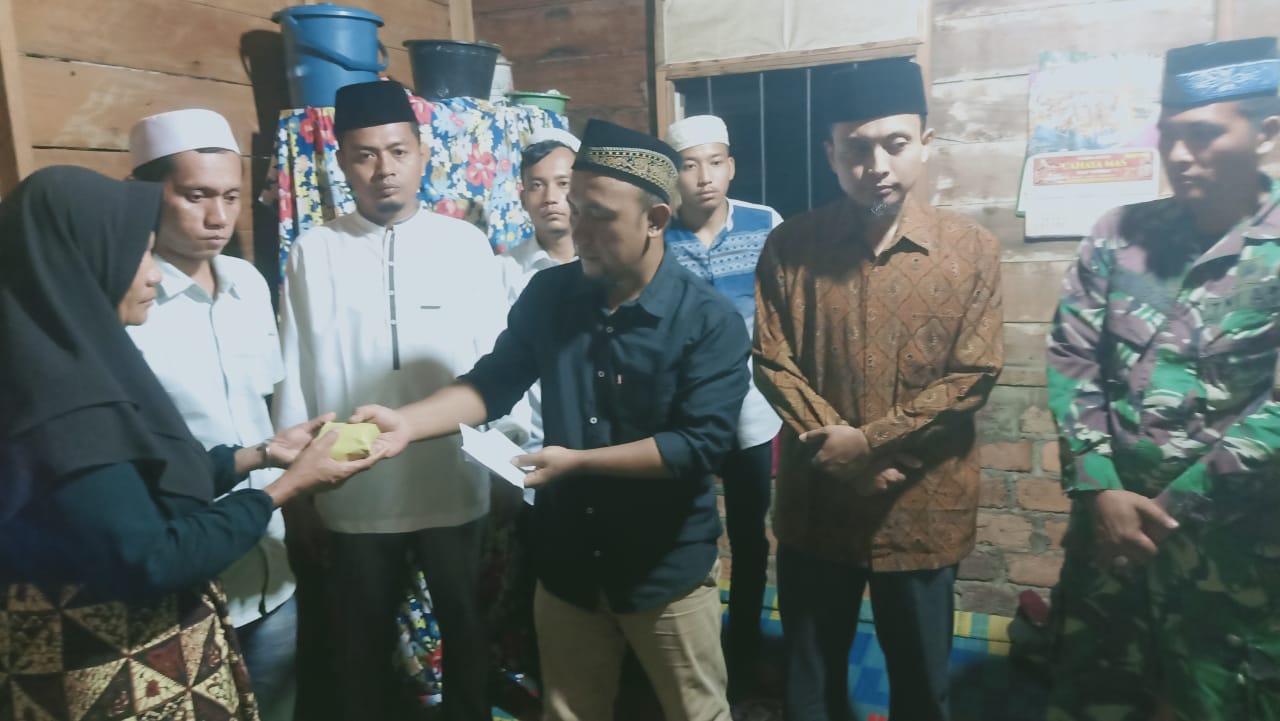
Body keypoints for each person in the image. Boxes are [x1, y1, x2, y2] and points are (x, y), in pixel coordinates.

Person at [352, 119, 750, 721]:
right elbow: (493, 383)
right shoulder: (549, 295)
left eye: (599, 216)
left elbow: (697, 447)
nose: (577, 230)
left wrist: (578, 464)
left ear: (656, 219)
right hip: (569, 563)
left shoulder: (708, 320)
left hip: (663, 567)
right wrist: (406, 424)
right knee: (568, 711)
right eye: (575, 208)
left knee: (697, 712)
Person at [0, 166, 382, 721]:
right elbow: (152, 557)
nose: (153, 274)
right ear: (82, 262)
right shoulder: (66, 406)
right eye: (139, 255)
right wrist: (286, 488)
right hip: (112, 677)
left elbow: (135, 485)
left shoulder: (71, 367)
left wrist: (260, 455)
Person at [753, 59, 1004, 721]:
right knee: (810, 685)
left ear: (926, 142)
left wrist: (866, 444)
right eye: (856, 149)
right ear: (831, 154)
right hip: (817, 505)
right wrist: (849, 456)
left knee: (921, 686)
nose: (877, 166)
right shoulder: (790, 246)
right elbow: (772, 362)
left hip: (921, 507)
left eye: (895, 144)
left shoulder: (971, 250)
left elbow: (973, 373)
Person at [1045, 36, 1280, 721]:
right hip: (1108, 541)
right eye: (1168, 134)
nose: (1179, 154)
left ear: (1267, 134)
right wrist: (1099, 485)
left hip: (1231, 557)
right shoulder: (1120, 234)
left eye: (1203, 135)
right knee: (1094, 698)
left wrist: (1174, 505)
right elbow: (1072, 357)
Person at [274, 79, 510, 721]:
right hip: (352, 484)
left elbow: (498, 365)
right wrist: (297, 494)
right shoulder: (314, 252)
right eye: (365, 154)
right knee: (359, 640)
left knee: (467, 627)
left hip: (454, 476)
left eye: (398, 151)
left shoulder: (464, 245)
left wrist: (504, 467)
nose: (384, 169)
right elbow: (294, 370)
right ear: (343, 162)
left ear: (421, 152)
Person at [125, 108, 297, 721]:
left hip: (272, 565)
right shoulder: (128, 303)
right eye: (196, 196)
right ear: (147, 195)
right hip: (186, 579)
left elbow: (264, 405)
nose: (218, 217)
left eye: (229, 196)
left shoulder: (249, 284)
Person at [664, 113, 783, 705]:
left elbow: (786, 308)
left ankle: (746, 643)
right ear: (674, 175)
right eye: (690, 165)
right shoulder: (658, 232)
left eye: (715, 163)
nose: (704, 177)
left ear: (731, 167)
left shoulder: (766, 224)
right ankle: (691, 643)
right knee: (685, 528)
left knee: (750, 533)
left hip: (753, 410)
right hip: (681, 413)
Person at [499, 126, 581, 457]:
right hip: (529, 445)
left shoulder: (608, 265)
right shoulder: (502, 271)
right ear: (523, 198)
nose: (550, 197)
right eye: (537, 185)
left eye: (563, 184)